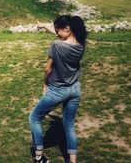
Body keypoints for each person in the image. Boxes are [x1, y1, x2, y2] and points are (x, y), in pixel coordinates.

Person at [29, 15, 87, 163]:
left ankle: (39, 156)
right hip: (74, 89)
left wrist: (46, 84)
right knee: (68, 126)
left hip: (57, 91)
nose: (56, 34)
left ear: (67, 29)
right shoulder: (81, 44)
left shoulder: (57, 46)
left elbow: (47, 69)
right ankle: (72, 161)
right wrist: (43, 25)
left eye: (58, 31)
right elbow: (58, 32)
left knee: (34, 117)